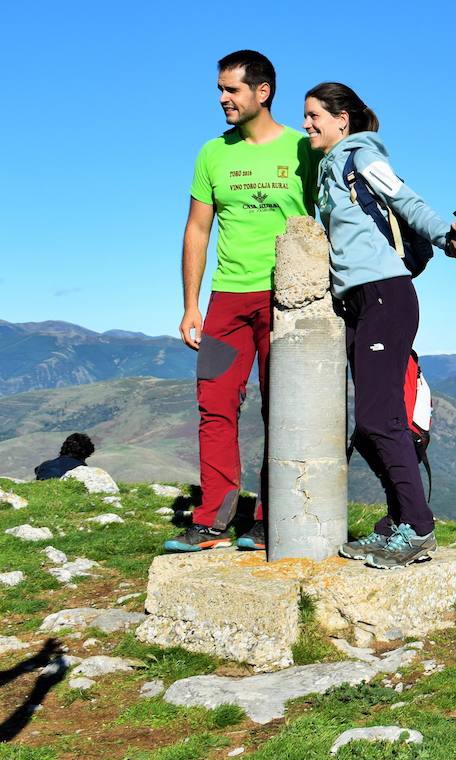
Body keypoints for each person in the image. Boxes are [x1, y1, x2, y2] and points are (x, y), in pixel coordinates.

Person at [302, 82, 456, 569]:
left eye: (315, 115)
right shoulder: (331, 166)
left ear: (343, 119)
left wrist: (449, 237)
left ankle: (418, 529)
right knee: (370, 426)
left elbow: (406, 199)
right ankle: (400, 520)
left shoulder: (360, 156)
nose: (307, 123)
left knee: (380, 419)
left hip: (384, 296)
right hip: (361, 301)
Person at [166, 50, 318, 553]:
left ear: (262, 91)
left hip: (289, 302)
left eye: (231, 89)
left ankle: (272, 519)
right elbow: (197, 229)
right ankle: (212, 519)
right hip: (225, 302)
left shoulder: (305, 149)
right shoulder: (213, 153)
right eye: (220, 89)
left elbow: (336, 214)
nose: (222, 98)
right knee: (214, 404)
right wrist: (192, 305)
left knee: (285, 409)